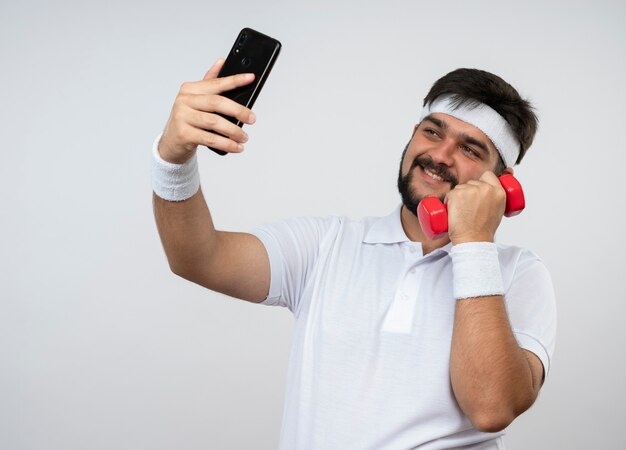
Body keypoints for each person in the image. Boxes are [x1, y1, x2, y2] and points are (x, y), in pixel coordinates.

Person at [151, 58, 556, 449]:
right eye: (433, 132)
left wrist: (473, 244)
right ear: (413, 133)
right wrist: (173, 158)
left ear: (501, 183)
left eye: (470, 149)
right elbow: (197, 258)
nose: (440, 156)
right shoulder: (326, 244)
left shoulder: (518, 273)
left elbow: (491, 407)